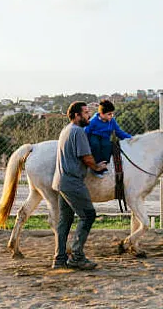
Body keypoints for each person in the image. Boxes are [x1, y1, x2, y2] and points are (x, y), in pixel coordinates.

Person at [52, 101, 108, 270]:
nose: (88, 115)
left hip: (61, 182)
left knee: (65, 221)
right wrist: (97, 167)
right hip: (73, 183)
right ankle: (77, 256)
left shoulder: (66, 130)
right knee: (88, 215)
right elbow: (86, 157)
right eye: (85, 112)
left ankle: (60, 259)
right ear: (77, 115)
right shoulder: (78, 132)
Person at [83, 99, 132, 176]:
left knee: (107, 145)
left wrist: (130, 138)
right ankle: (96, 167)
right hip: (94, 136)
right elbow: (86, 131)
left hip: (105, 137)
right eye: (109, 114)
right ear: (101, 114)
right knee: (95, 144)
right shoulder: (94, 121)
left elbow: (119, 132)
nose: (111, 116)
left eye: (112, 114)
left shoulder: (112, 121)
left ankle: (104, 165)